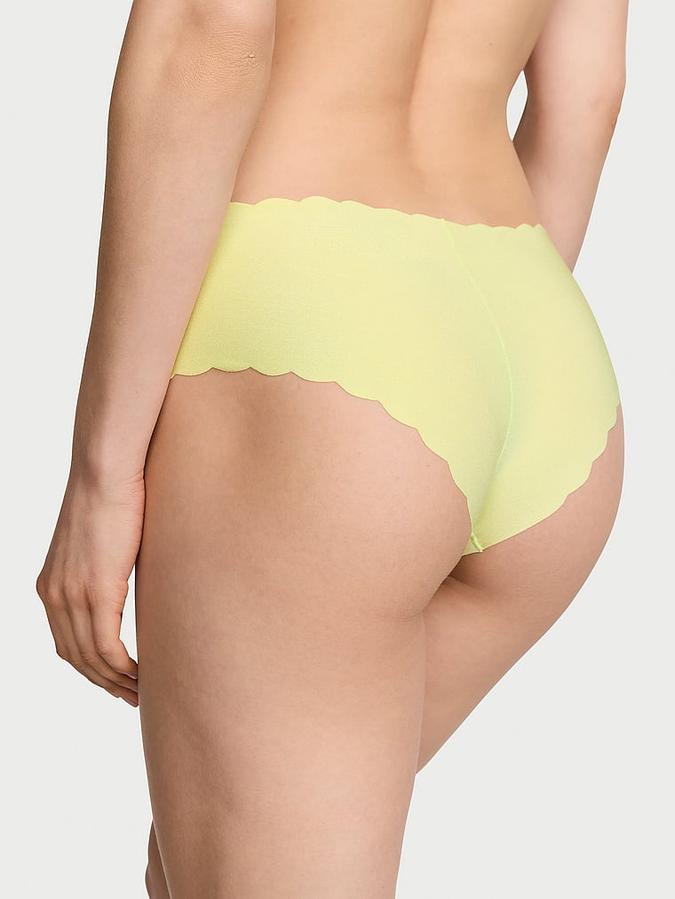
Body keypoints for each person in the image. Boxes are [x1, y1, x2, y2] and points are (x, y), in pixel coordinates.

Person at [36, 1, 629, 896]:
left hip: (316, 340)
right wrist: (469, 363)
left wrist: (101, 475)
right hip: (533, 327)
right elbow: (588, 92)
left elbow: (210, 23)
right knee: (201, 866)